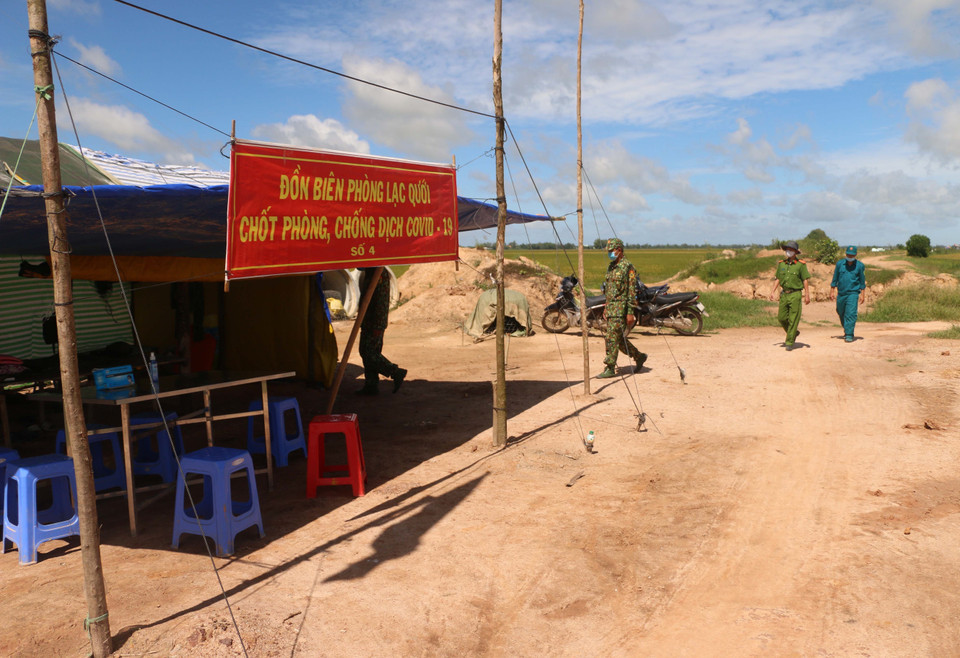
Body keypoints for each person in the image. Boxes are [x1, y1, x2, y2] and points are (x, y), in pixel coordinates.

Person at [598, 238, 648, 378]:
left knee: (611, 338)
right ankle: (639, 356)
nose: (609, 253)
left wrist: (630, 312)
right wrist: (606, 307)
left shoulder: (628, 267)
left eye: (611, 251)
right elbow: (609, 290)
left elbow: (631, 292)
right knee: (618, 339)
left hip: (621, 309)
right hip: (611, 308)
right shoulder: (611, 267)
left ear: (619, 250)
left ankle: (610, 367)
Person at [356, 267, 406, 394]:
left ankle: (395, 372)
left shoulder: (378, 273)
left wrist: (378, 325)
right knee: (370, 352)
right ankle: (371, 385)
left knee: (368, 352)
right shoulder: (370, 272)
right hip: (368, 321)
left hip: (374, 322)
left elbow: (381, 301)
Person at [768, 240, 811, 350]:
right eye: (787, 249)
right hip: (784, 294)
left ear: (795, 252)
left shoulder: (801, 265)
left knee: (793, 319)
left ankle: (789, 341)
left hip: (795, 294)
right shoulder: (782, 264)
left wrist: (807, 295)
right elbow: (778, 278)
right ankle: (793, 333)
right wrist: (772, 291)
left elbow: (805, 280)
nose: (788, 252)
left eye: (791, 250)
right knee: (781, 318)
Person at [830, 245, 866, 343]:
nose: (850, 257)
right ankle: (847, 329)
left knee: (850, 313)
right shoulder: (840, 264)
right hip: (841, 293)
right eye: (848, 255)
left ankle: (849, 334)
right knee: (840, 311)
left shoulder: (860, 266)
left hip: (853, 293)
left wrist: (862, 294)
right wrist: (832, 290)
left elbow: (862, 281)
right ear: (846, 254)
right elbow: (835, 278)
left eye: (852, 255)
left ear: (856, 255)